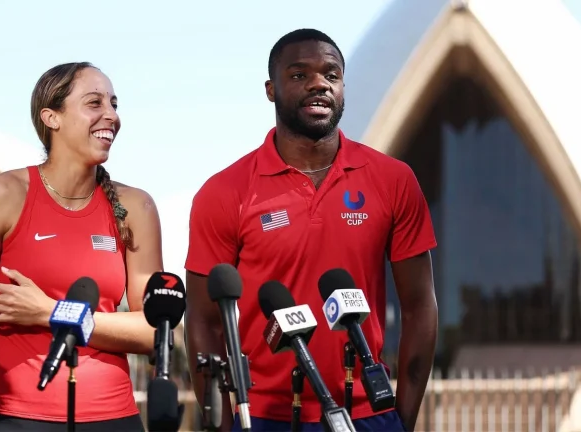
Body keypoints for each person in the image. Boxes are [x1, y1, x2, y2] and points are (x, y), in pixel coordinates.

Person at [184, 29, 438, 432]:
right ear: (271, 89)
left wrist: (401, 420)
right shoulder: (224, 192)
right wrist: (225, 422)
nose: (320, 83)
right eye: (300, 75)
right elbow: (202, 320)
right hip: (265, 419)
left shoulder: (394, 180)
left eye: (331, 75)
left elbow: (420, 306)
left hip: (370, 416)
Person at [0, 62, 162, 432]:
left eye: (115, 104)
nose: (112, 116)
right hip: (13, 416)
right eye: (95, 103)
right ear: (51, 117)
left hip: (112, 416)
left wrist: (54, 312)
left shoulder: (137, 207)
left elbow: (154, 330)